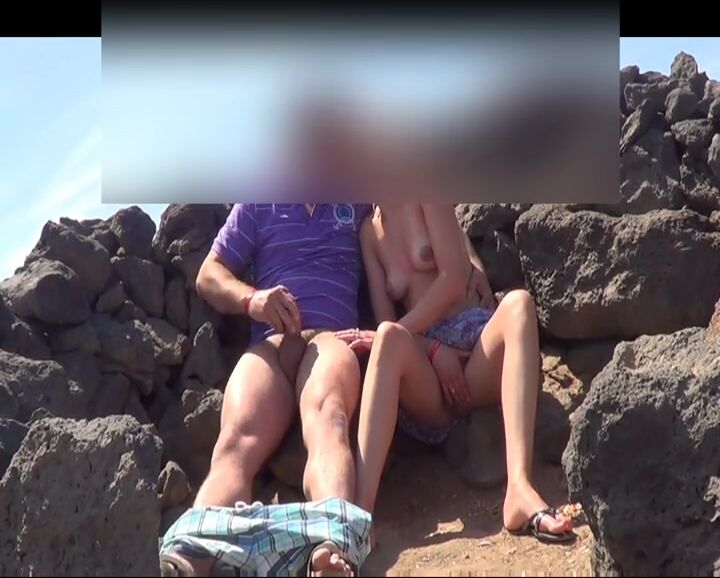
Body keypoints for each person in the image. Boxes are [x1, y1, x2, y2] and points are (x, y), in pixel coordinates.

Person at [159, 106, 374, 577]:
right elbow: (209, 275)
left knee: (329, 417)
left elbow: (413, 213)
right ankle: (195, 555)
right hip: (272, 346)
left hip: (330, 340)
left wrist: (473, 269)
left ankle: (330, 551)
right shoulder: (260, 201)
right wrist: (252, 299)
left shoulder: (358, 200)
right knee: (236, 440)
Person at [339, 202, 575, 545]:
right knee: (387, 335)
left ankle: (519, 489)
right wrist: (433, 350)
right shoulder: (368, 233)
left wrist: (442, 344)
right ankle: (360, 516)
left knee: (520, 304)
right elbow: (388, 324)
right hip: (429, 374)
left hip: (475, 351)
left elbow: (452, 280)